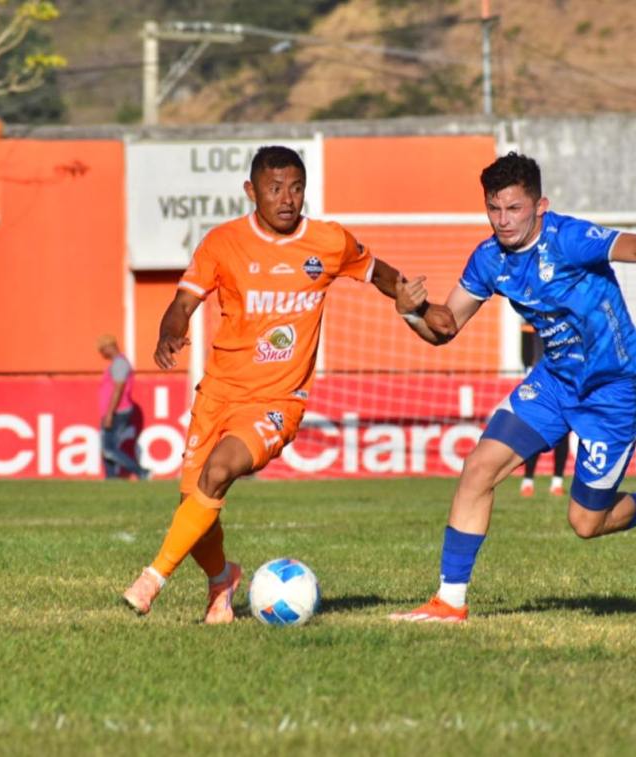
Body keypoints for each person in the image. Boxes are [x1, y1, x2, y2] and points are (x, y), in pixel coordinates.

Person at [389, 152, 636, 623]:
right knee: (479, 467)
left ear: (541, 206)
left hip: (615, 392)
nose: (503, 220)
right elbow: (445, 327)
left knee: (585, 523)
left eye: (514, 208)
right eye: (494, 209)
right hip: (555, 382)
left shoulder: (569, 238)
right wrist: (410, 311)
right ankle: (449, 601)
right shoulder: (488, 259)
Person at [121, 145, 455, 622]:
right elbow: (183, 301)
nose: (287, 198)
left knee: (218, 471)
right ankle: (222, 581)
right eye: (275, 188)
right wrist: (170, 330)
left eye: (296, 188)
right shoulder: (222, 242)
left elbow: (380, 272)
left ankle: (152, 577)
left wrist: (416, 304)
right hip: (218, 392)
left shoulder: (328, 241)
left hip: (277, 400)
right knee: (193, 506)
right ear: (250, 191)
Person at [518, 324, 570, 497]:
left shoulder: (566, 318)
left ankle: (557, 482)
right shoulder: (532, 314)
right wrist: (528, 370)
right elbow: (526, 346)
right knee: (535, 432)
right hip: (539, 381)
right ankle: (528, 481)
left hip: (562, 381)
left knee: (562, 433)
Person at [97, 334, 150, 481]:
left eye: (102, 350)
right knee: (106, 448)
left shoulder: (119, 363)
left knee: (109, 449)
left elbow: (118, 389)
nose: (102, 354)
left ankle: (141, 472)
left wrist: (109, 413)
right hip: (114, 411)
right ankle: (111, 478)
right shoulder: (117, 363)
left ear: (109, 347)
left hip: (117, 411)